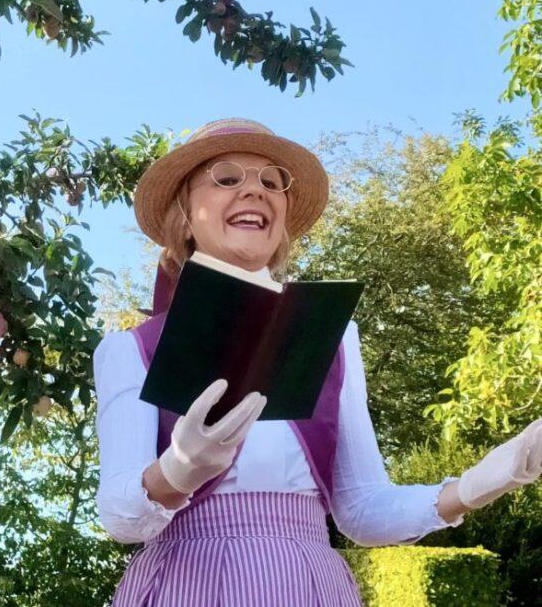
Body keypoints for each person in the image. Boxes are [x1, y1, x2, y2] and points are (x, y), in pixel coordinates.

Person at [95, 118, 542, 606]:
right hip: (188, 585)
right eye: (226, 177)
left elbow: (361, 509)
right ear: (184, 215)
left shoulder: (333, 339)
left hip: (310, 585)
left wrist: (474, 486)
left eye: (272, 182)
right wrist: (177, 471)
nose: (255, 190)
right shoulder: (131, 349)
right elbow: (120, 518)